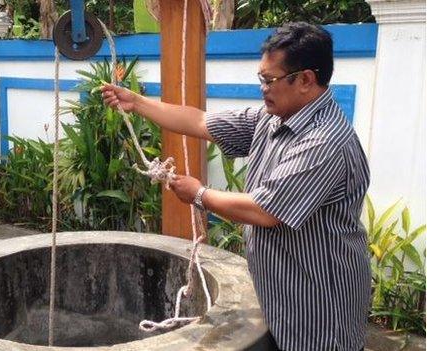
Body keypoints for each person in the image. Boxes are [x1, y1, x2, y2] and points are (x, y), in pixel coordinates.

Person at [101, 22, 370, 351]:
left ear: (305, 80)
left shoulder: (325, 142)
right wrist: (137, 102)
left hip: (319, 307)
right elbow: (200, 121)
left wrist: (199, 194)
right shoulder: (272, 119)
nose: (263, 88)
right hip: (284, 298)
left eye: (269, 80)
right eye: (262, 78)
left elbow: (266, 210)